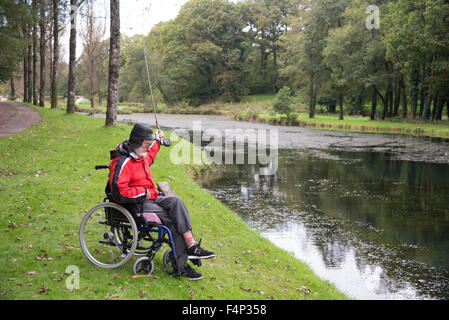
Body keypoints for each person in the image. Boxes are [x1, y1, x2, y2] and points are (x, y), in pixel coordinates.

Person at [108, 123, 215, 280]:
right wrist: (144, 192)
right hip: (134, 204)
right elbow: (119, 192)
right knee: (170, 221)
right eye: (147, 144)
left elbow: (150, 155)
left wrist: (157, 141)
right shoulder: (123, 161)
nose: (148, 147)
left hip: (149, 196)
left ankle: (191, 246)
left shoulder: (139, 154)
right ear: (137, 142)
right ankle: (181, 267)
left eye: (150, 144)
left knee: (176, 202)